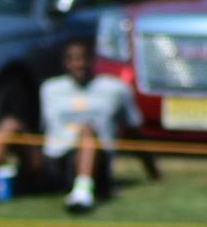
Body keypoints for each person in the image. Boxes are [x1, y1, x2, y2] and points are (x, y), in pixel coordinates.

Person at [36, 37, 139, 214]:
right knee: (10, 125)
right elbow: (43, 129)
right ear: (64, 62)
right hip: (58, 157)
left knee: (87, 129)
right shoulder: (50, 89)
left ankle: (82, 193)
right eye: (72, 59)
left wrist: (153, 171)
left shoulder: (115, 88)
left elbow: (134, 131)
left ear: (92, 59)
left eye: (83, 58)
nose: (78, 64)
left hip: (98, 159)